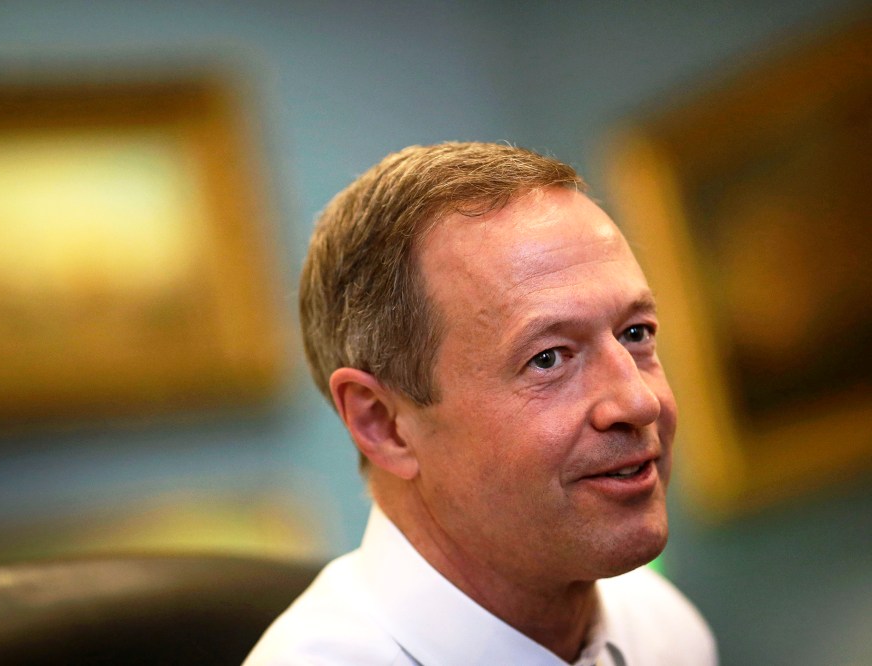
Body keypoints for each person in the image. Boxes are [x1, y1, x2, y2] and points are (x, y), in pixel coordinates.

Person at [245, 142, 717, 665]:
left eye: (635, 333)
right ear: (383, 423)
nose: (639, 402)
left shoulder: (664, 631)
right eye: (548, 359)